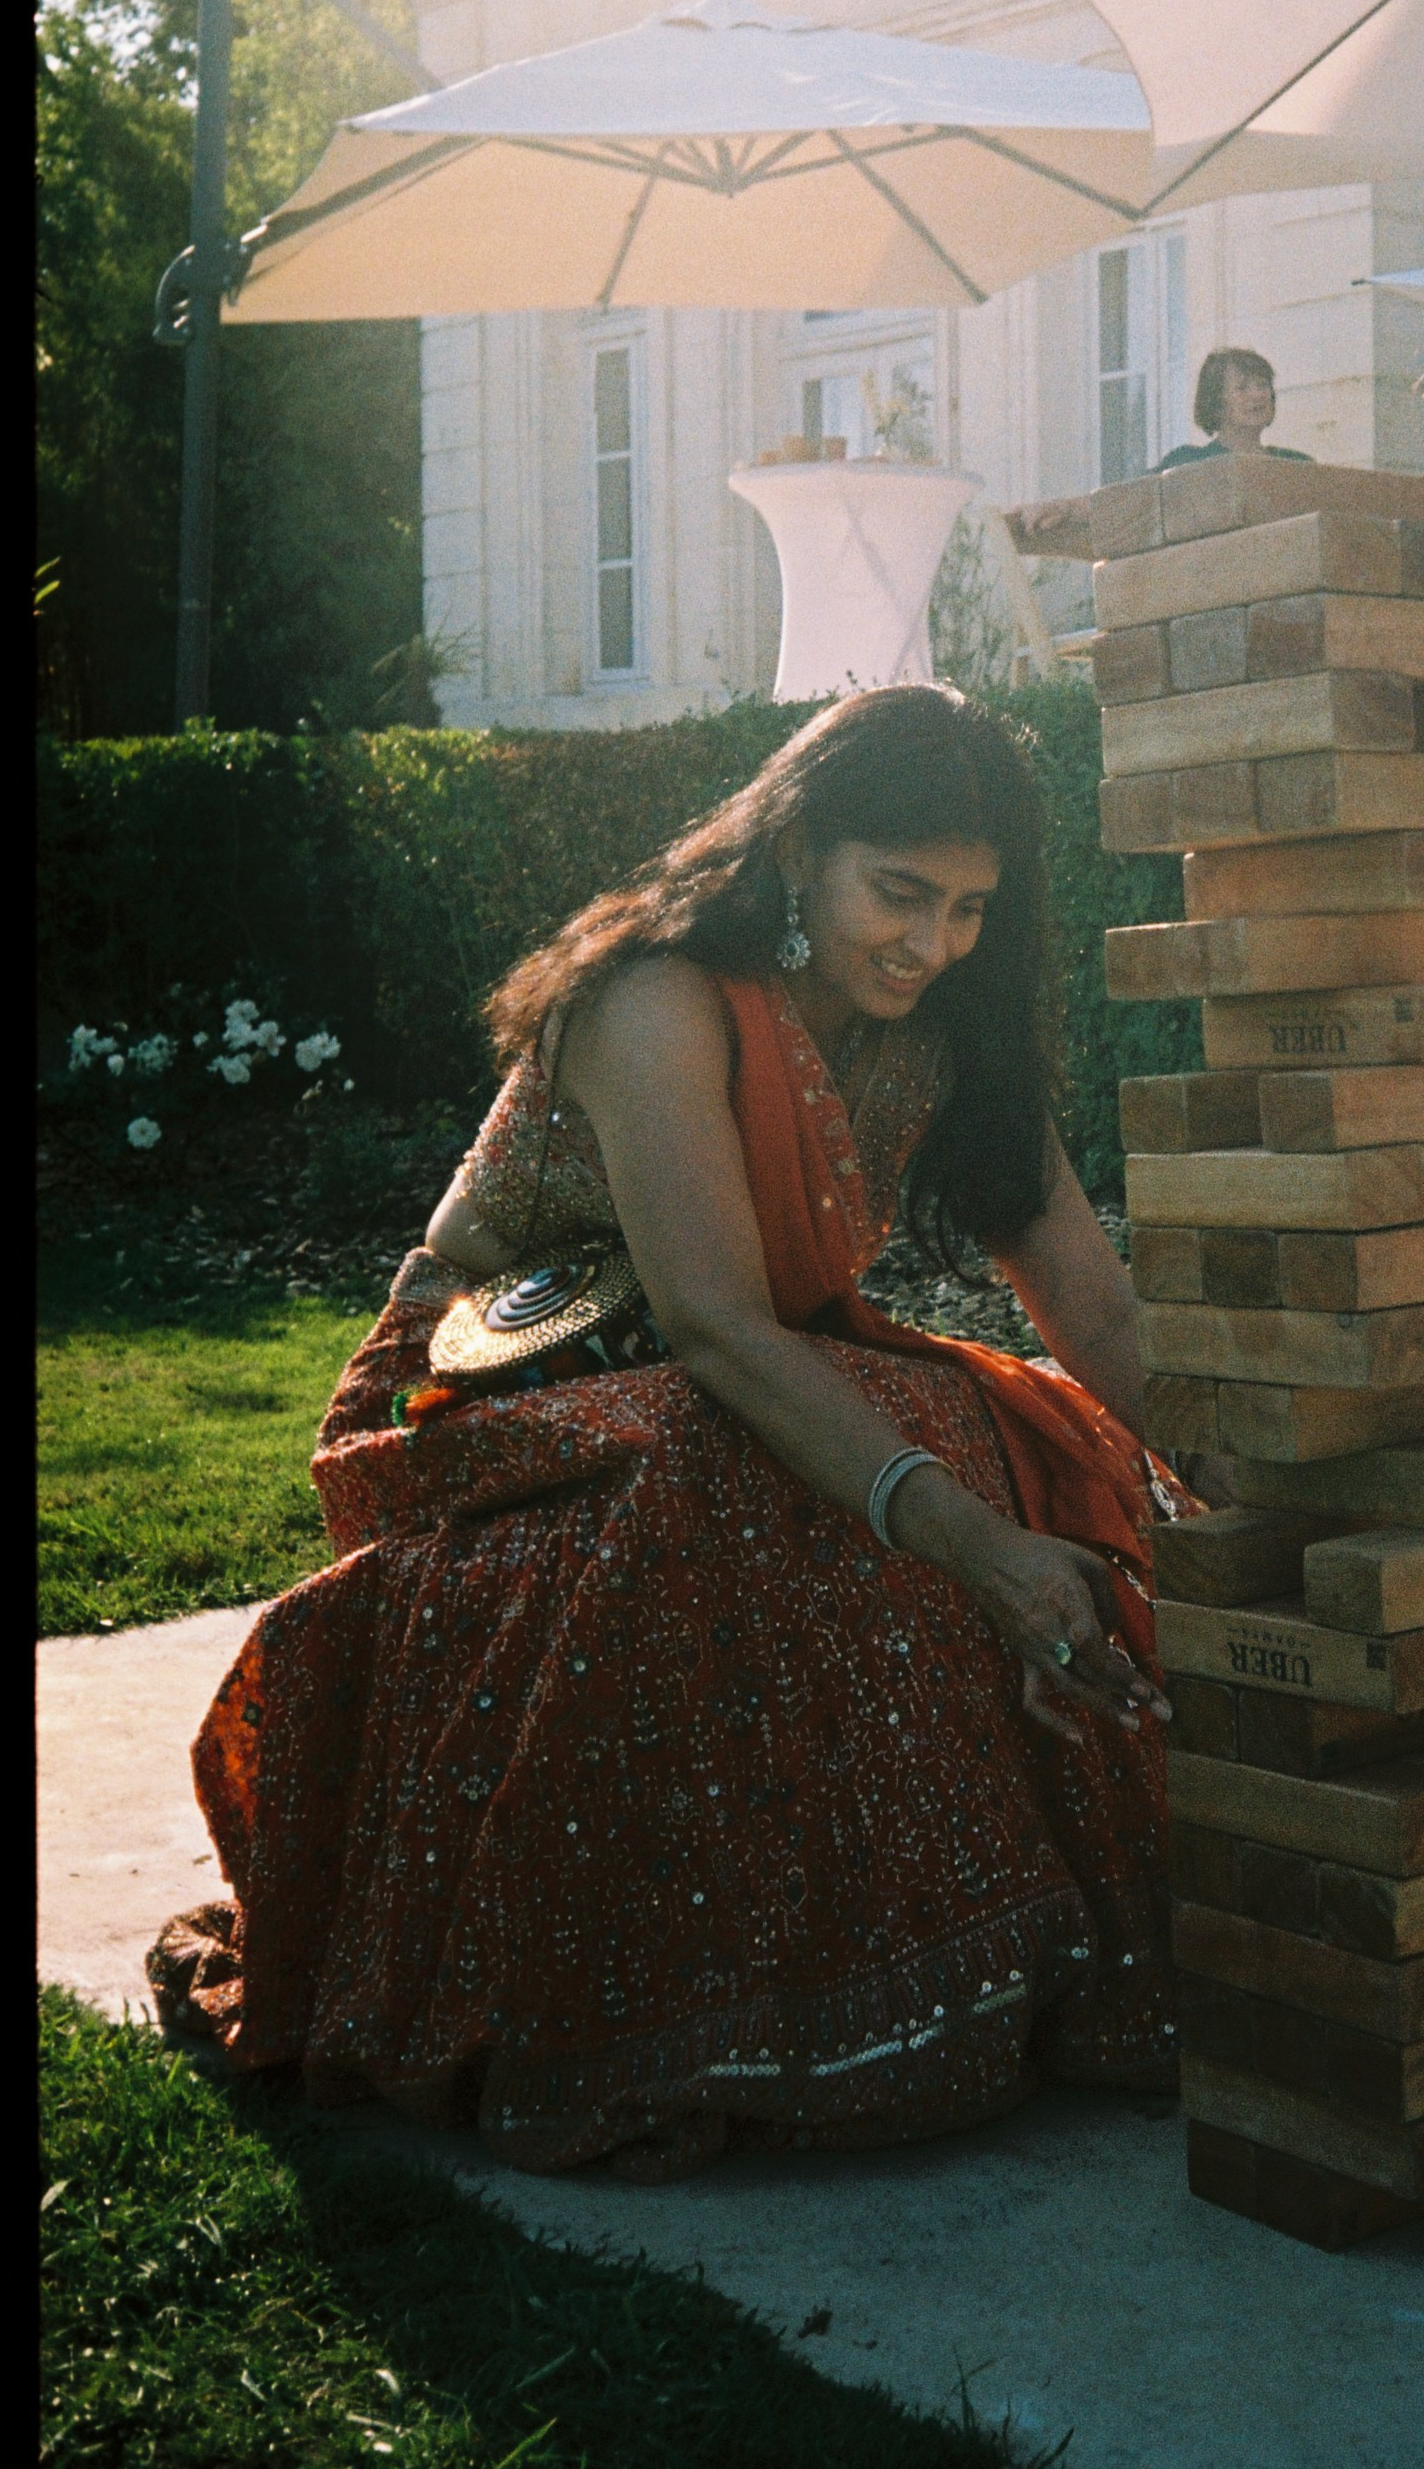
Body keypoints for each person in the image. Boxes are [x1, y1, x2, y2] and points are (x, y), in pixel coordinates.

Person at [149, 685, 1209, 2177]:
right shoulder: (657, 992)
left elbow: (1089, 1313)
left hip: (712, 1376)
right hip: (487, 1386)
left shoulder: (944, 1023)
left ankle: (985, 1951)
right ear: (795, 850)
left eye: (970, 906)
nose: (930, 940)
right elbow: (714, 1325)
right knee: (803, 1461)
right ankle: (703, 1996)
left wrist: (1226, 1466)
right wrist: (978, 1549)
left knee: (980, 1416)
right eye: (897, 892)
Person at [1155, 346, 1313, 469]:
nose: (1257, 395)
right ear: (1215, 401)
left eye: (1262, 385)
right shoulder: (1187, 462)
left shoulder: (1298, 465)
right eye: (1242, 388)